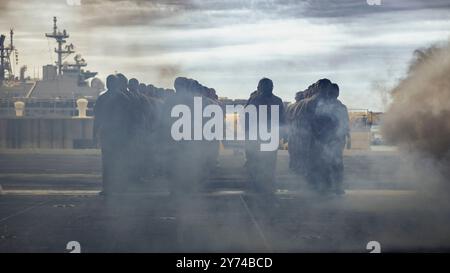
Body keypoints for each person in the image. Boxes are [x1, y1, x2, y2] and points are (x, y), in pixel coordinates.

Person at [245, 78, 285, 198]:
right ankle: (268, 186)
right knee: (269, 163)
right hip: (270, 138)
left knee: (256, 163)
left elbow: (246, 118)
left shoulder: (254, 100)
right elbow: (282, 120)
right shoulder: (277, 101)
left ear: (259, 87)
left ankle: (257, 186)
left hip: (256, 138)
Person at [93, 74, 132, 196]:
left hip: (107, 134)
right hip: (120, 134)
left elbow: (97, 119)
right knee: (120, 161)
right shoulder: (124, 98)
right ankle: (121, 187)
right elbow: (128, 119)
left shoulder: (102, 98)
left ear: (108, 83)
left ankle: (107, 188)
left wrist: (94, 134)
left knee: (107, 163)